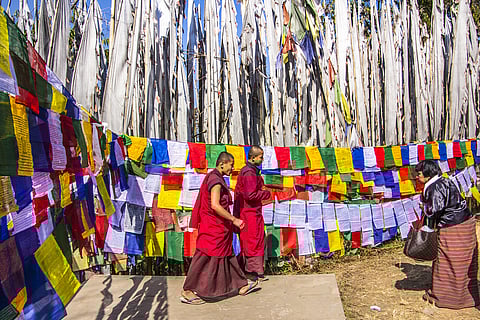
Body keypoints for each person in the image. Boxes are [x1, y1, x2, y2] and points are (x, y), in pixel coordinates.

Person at [181, 152, 259, 304]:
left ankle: (241, 285)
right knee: (203, 257)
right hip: (213, 226)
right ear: (222, 163)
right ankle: (187, 290)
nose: (233, 168)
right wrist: (234, 219)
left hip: (219, 226)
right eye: (231, 164)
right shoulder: (215, 181)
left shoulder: (216, 177)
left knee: (227, 255)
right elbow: (215, 205)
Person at [415, 160, 479, 309]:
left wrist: (423, 207)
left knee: (447, 262)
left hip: (453, 227)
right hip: (465, 223)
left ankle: (447, 298)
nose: (417, 177)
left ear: (427, 174)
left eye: (419, 174)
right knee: (464, 262)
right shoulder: (444, 181)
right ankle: (466, 297)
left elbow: (435, 209)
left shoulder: (435, 187)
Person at [234, 146, 272, 281]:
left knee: (255, 240)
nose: (262, 160)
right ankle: (252, 272)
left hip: (252, 212)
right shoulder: (249, 173)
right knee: (252, 241)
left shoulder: (251, 171)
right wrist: (266, 193)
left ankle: (254, 271)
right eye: (261, 157)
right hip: (248, 213)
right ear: (253, 157)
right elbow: (250, 195)